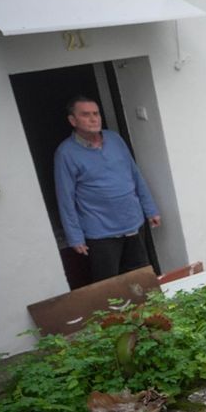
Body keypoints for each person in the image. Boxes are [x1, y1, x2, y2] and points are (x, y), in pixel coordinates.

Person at [53, 96, 161, 283]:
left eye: (96, 113)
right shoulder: (66, 153)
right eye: (86, 115)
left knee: (141, 278)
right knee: (109, 285)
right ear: (73, 121)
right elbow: (65, 199)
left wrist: (150, 209)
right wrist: (75, 236)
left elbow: (135, 175)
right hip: (100, 231)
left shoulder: (115, 139)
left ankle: (149, 312)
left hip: (133, 222)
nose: (94, 119)